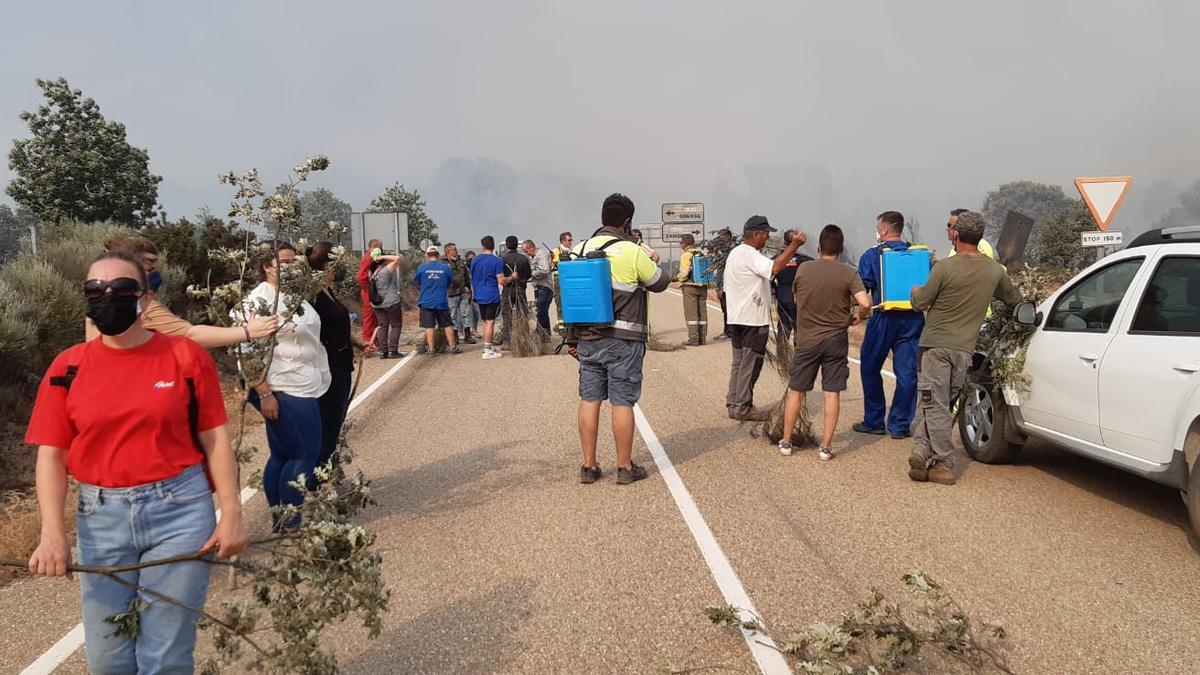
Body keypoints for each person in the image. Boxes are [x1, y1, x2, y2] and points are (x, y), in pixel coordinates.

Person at [27, 250, 247, 674]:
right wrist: (52, 534)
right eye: (96, 290)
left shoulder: (185, 357)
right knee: (108, 658)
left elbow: (215, 439)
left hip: (180, 513)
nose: (107, 297)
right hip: (100, 520)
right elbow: (51, 456)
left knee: (163, 658)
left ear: (144, 299)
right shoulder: (67, 367)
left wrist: (231, 512)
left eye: (122, 289)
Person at [908, 211, 1022, 485]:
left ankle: (945, 463)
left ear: (956, 235)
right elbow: (1015, 301)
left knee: (932, 403)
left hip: (935, 348)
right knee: (941, 402)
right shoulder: (995, 271)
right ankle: (922, 451)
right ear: (981, 237)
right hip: (965, 351)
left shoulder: (944, 268)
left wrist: (913, 291)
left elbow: (921, 301)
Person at [568, 194, 670, 485]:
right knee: (622, 402)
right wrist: (651, 257)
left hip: (587, 337)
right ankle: (625, 467)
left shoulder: (578, 249)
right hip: (624, 340)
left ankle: (589, 466)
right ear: (627, 222)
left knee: (589, 399)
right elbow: (659, 283)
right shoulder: (630, 250)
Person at [241, 242, 331, 526]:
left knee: (283, 454)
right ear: (267, 267)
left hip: (305, 381)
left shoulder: (293, 296)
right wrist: (264, 393)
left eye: (295, 262)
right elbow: (247, 353)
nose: (292, 268)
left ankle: (282, 518)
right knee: (304, 455)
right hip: (284, 387)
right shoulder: (257, 302)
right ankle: (292, 521)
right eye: (284, 263)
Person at [779, 225, 872, 460]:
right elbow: (866, 303)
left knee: (796, 392)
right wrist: (858, 317)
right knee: (832, 393)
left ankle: (787, 441)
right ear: (840, 249)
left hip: (807, 339)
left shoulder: (804, 269)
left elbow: (797, 299)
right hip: (835, 340)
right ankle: (826, 447)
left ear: (819, 247)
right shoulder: (848, 273)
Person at [86, 236, 280, 347]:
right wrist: (246, 332)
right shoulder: (141, 306)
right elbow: (191, 335)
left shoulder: (98, 300)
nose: (155, 276)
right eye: (149, 269)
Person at [723, 215, 806, 421]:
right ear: (756, 234)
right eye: (767, 234)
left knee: (739, 362)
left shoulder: (735, 253)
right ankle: (743, 407)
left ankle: (734, 403)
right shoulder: (750, 254)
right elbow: (774, 268)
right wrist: (793, 246)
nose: (768, 238)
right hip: (752, 319)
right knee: (750, 363)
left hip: (736, 317)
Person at [853, 211, 926, 440]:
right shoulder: (918, 255)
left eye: (878, 227)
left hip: (883, 317)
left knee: (870, 366)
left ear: (884, 230)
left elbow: (861, 288)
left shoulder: (873, 255)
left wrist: (859, 314)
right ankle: (899, 425)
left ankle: (874, 421)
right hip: (913, 318)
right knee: (907, 373)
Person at [306, 242, 373, 472]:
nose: (339, 269)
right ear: (327, 266)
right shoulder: (312, 297)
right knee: (327, 426)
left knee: (335, 425)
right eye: (336, 264)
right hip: (328, 368)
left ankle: (325, 474)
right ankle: (316, 480)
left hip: (342, 364)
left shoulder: (327, 291)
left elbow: (338, 326)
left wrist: (358, 342)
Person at [415, 245, 460, 355]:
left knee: (429, 326)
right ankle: (453, 347)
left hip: (426, 301)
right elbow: (450, 282)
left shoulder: (422, 267)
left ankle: (431, 349)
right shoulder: (445, 267)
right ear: (438, 255)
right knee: (447, 324)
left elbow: (417, 281)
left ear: (427, 255)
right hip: (441, 301)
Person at [773, 229, 814, 338]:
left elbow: (769, 278)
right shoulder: (806, 260)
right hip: (798, 298)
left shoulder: (776, 260)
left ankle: (782, 354)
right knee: (799, 330)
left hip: (782, 297)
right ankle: (799, 354)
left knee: (783, 329)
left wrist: (775, 293)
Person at [470, 236, 506, 359]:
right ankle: (487, 349)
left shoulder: (474, 260)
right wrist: (512, 277)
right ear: (493, 245)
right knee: (491, 322)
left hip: (479, 294)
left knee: (485, 321)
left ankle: (488, 345)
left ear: (483, 245)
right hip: (491, 294)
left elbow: (472, 277)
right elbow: (501, 280)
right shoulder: (497, 261)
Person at [674, 233, 710, 346]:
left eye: (681, 243)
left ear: (684, 244)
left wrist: (677, 278)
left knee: (691, 314)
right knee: (702, 313)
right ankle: (702, 338)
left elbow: (684, 273)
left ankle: (693, 339)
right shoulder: (701, 253)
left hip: (690, 287)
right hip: (703, 286)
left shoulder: (686, 255)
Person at [368, 251, 406, 358]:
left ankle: (383, 351)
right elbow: (397, 258)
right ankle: (393, 350)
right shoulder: (384, 271)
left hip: (377, 304)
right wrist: (381, 256)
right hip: (391, 302)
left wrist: (377, 258)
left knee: (382, 325)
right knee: (396, 325)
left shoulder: (371, 273)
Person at [499, 235, 532, 346]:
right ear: (516, 245)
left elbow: (501, 277)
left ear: (507, 246)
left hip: (508, 289)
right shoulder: (524, 258)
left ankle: (507, 340)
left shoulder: (502, 259)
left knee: (506, 315)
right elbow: (528, 275)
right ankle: (524, 337)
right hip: (521, 289)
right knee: (522, 314)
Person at [445, 243, 475, 344]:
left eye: (456, 249)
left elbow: (466, 277)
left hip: (462, 292)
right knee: (452, 316)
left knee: (466, 314)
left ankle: (468, 334)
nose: (456, 251)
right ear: (448, 252)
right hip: (451, 293)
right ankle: (455, 336)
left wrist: (469, 289)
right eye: (454, 249)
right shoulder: (443, 263)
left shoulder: (461, 262)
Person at [525, 239, 553, 343]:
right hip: (538, 288)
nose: (526, 253)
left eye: (526, 251)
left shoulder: (541, 255)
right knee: (542, 312)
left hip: (544, 288)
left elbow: (545, 270)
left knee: (541, 312)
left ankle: (544, 335)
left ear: (531, 247)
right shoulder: (533, 257)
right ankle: (544, 334)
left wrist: (532, 273)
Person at [356, 238, 383, 346]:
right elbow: (361, 276)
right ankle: (367, 340)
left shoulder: (373, 258)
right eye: (380, 247)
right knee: (370, 316)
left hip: (372, 290)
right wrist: (369, 288)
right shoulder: (368, 258)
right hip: (368, 291)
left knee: (375, 315)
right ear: (375, 247)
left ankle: (375, 340)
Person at [712, 228, 733, 340]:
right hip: (723, 285)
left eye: (722, 238)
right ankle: (728, 331)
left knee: (728, 309)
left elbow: (724, 271)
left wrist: (721, 287)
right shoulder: (720, 252)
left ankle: (729, 332)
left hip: (728, 287)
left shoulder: (731, 253)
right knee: (725, 310)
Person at [550, 231, 573, 333]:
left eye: (571, 240)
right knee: (559, 302)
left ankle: (568, 324)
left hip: (569, 279)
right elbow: (551, 264)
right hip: (558, 279)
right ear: (563, 241)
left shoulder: (572, 251)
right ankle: (561, 327)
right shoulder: (555, 251)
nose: (571, 242)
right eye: (569, 240)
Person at [465, 249, 480, 333]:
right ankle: (467, 330)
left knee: (476, 313)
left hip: (476, 292)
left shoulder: (477, 268)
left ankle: (474, 329)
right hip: (467, 293)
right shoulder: (465, 269)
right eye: (470, 259)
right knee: (467, 313)